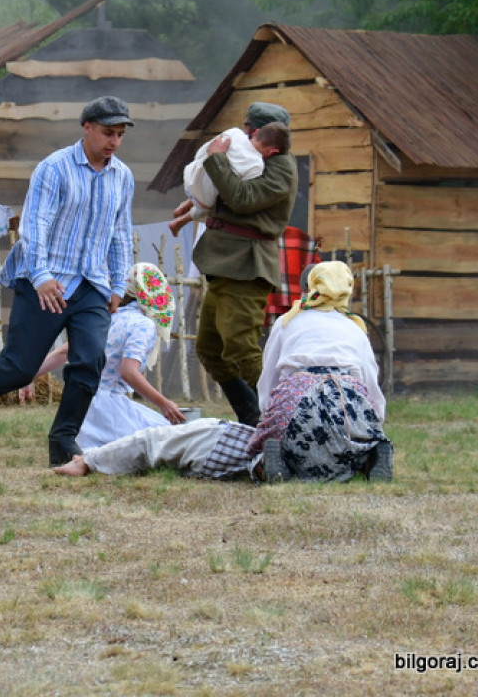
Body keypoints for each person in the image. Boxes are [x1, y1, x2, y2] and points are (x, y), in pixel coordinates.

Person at [54, 261, 393, 484]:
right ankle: (368, 453)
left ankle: (264, 460)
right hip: (351, 412)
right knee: (341, 449)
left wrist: (264, 428)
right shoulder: (355, 328)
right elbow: (372, 389)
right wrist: (372, 426)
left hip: (297, 411)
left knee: (200, 440)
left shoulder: (291, 321)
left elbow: (269, 384)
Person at [0, 96, 135, 466]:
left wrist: (116, 286)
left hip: (93, 283)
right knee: (19, 367)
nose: (113, 141)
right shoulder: (55, 168)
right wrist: (43, 276)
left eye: (119, 134)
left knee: (90, 360)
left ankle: (63, 440)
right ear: (87, 128)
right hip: (46, 279)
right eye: (107, 133)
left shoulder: (122, 175)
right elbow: (35, 226)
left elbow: (121, 232)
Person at [192, 102, 298, 428]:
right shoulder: (250, 158)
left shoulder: (282, 166)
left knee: (241, 349)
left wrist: (216, 158)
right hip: (224, 263)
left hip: (246, 265)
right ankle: (252, 417)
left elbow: (243, 198)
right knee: (210, 350)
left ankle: (290, 421)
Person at [20, 263, 186, 447]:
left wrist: (28, 377)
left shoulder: (105, 319)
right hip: (108, 410)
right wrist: (163, 403)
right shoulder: (142, 325)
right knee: (174, 438)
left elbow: (63, 351)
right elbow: (128, 372)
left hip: (79, 406)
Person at [168, 122, 291, 237]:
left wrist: (200, 163)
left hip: (190, 175)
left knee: (208, 176)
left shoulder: (234, 133)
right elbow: (233, 191)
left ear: (256, 132)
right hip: (204, 201)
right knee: (218, 192)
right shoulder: (256, 166)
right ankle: (180, 221)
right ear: (272, 151)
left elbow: (205, 149)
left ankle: (186, 204)